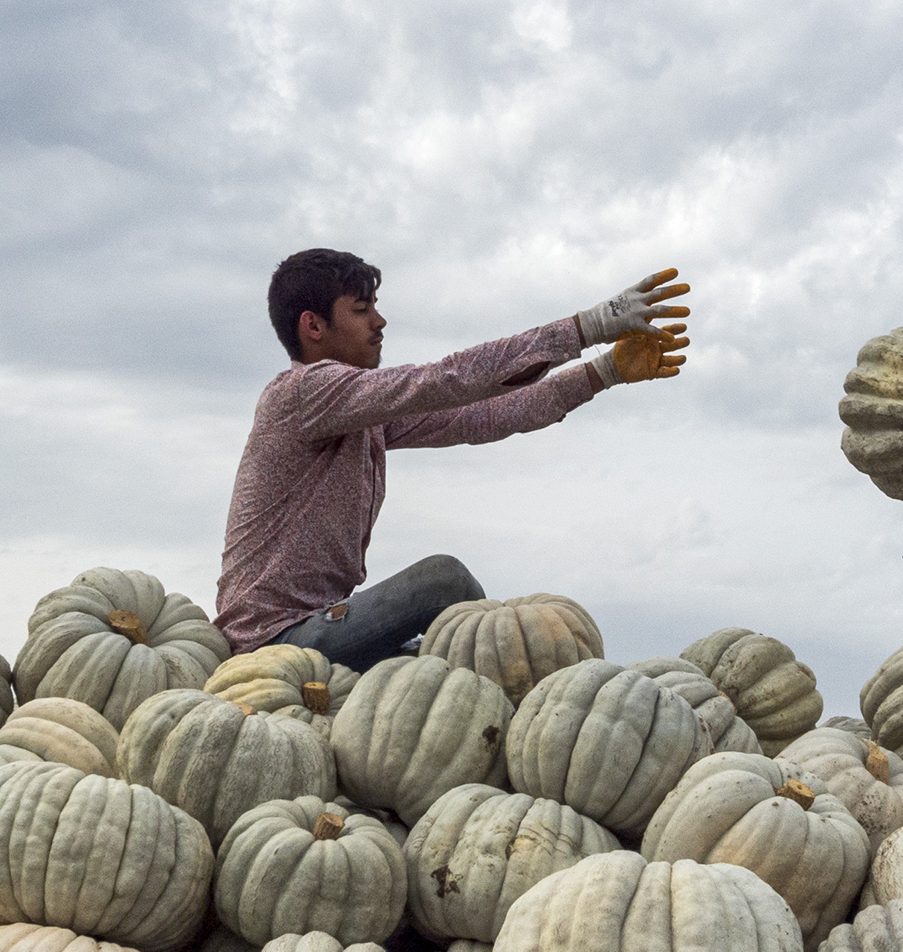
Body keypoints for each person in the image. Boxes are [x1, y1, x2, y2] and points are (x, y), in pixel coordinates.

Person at [215, 248, 690, 668]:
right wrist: (590, 327)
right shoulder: (302, 393)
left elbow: (482, 416)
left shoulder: (358, 417)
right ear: (313, 325)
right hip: (273, 644)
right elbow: (447, 378)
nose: (379, 322)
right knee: (444, 580)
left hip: (319, 632)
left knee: (437, 661)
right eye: (361, 310)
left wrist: (602, 372)